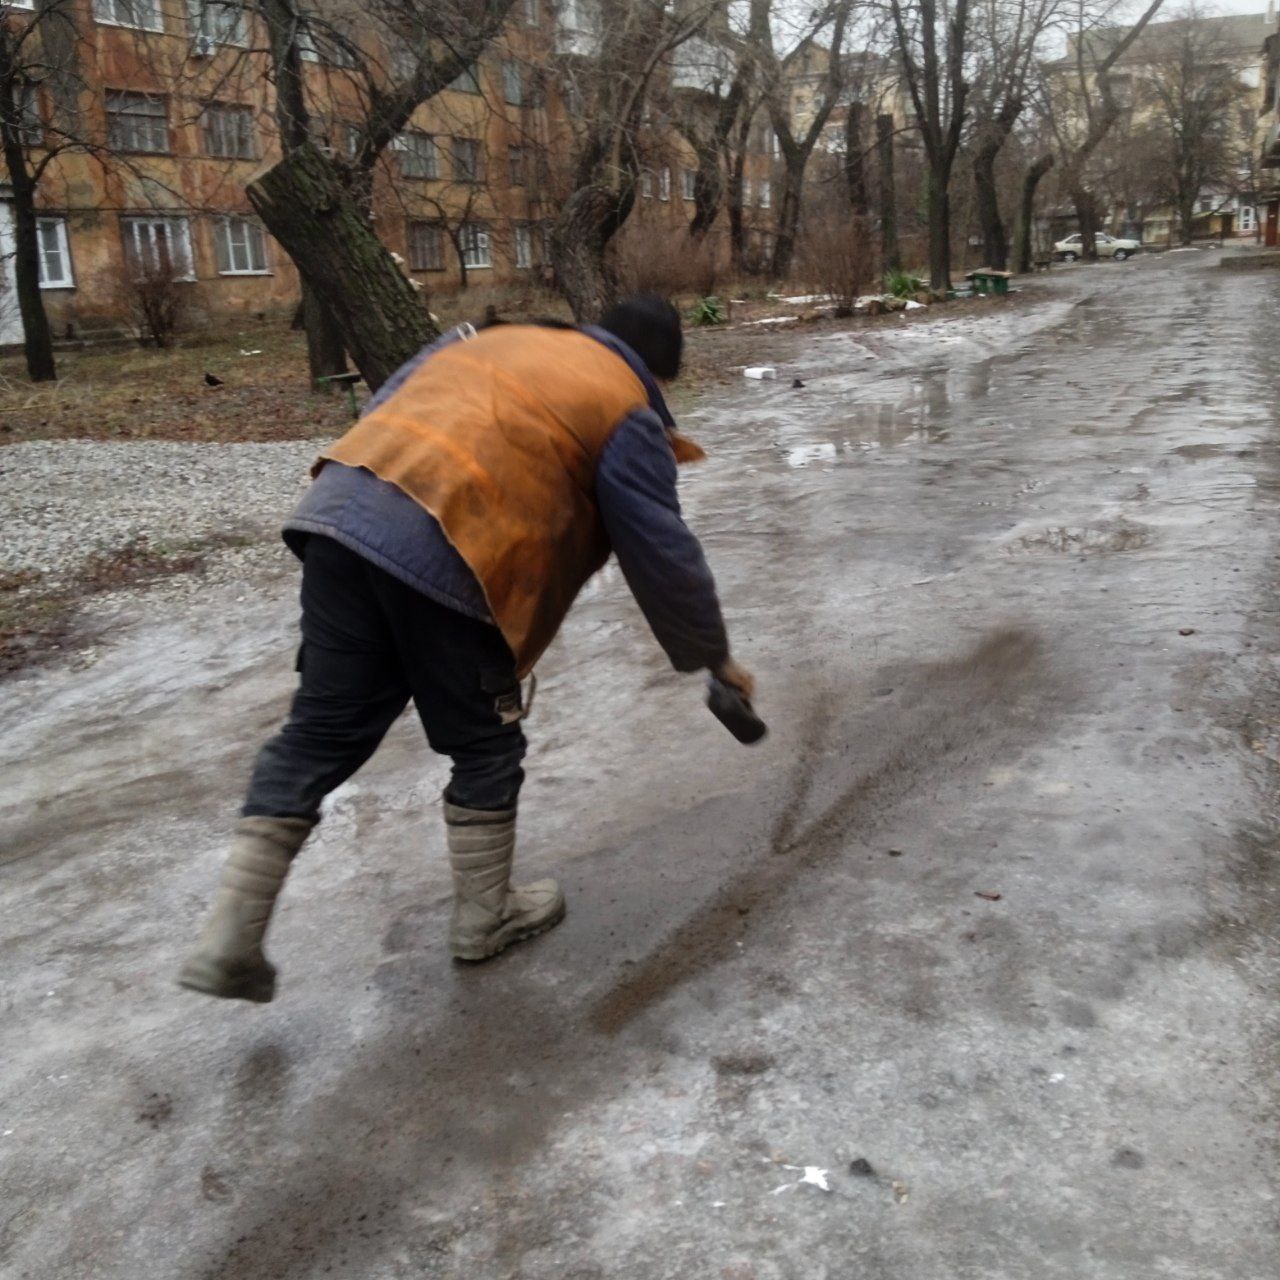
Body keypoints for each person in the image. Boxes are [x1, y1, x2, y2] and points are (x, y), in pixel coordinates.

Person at [177, 295, 754, 1003]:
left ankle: (229, 935)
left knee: (320, 730)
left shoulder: (485, 340)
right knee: (483, 742)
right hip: (456, 544)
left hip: (341, 518)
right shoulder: (624, 402)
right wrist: (713, 658)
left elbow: (388, 403)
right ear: (660, 372)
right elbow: (660, 550)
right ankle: (485, 917)